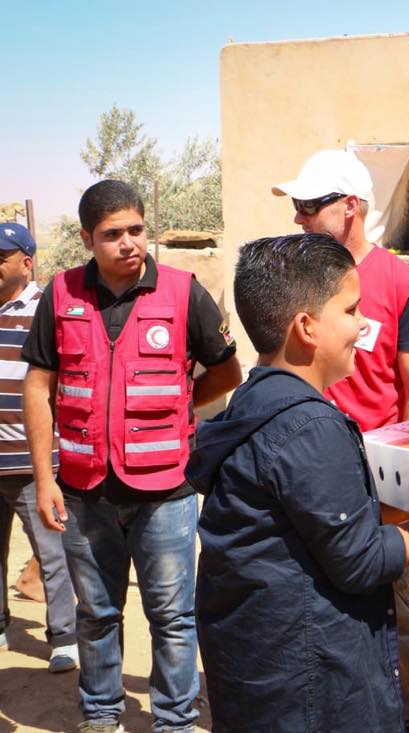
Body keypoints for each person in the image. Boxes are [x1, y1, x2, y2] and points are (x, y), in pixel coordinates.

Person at [188, 232, 409, 732]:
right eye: (352, 310)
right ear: (307, 327)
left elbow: (329, 517)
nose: (363, 325)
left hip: (265, 673)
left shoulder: (255, 403)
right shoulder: (308, 427)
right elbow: (363, 559)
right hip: (309, 689)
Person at [22, 180, 242, 733]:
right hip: (83, 490)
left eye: (136, 230)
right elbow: (38, 386)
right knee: (96, 615)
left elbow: (227, 370)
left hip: (166, 493)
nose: (128, 243)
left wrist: (177, 406)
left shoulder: (183, 291)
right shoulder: (60, 293)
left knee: (172, 617)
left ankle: (174, 719)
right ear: (87, 239)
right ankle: (100, 715)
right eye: (112, 234)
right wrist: (45, 479)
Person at [272, 149, 409, 732]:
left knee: (390, 609)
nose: (298, 218)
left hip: (374, 480)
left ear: (350, 207)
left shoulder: (402, 285)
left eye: (309, 206)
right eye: (294, 207)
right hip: (304, 471)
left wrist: (406, 492)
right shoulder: (298, 277)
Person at [0, 222, 77, 673]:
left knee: (53, 552)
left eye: (0, 257)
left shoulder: (45, 310)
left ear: (25, 263)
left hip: (34, 462)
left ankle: (63, 637)